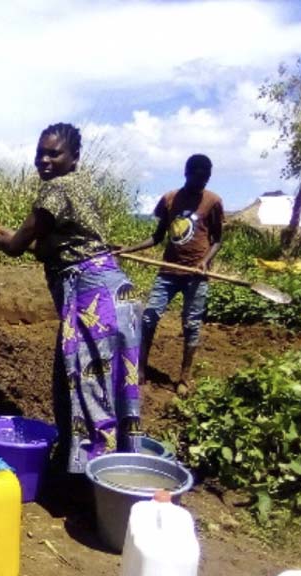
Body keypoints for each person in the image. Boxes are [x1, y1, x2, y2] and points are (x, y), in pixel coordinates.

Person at [0, 123, 142, 475]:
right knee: (110, 388)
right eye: (40, 154)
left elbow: (18, 246)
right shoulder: (79, 188)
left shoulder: (56, 190)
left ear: (74, 158)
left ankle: (89, 484)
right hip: (116, 293)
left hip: (93, 298)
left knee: (86, 387)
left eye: (54, 153)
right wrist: (4, 232)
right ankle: (107, 469)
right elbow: (42, 246)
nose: (44, 161)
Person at [128, 155, 223, 396]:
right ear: (186, 173)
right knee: (149, 317)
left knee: (191, 325)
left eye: (205, 179)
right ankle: (140, 369)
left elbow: (217, 240)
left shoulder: (213, 202)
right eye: (196, 177)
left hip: (195, 275)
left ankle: (184, 377)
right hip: (169, 271)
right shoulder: (170, 199)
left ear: (209, 177)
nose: (200, 183)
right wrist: (126, 250)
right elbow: (157, 237)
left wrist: (204, 262)